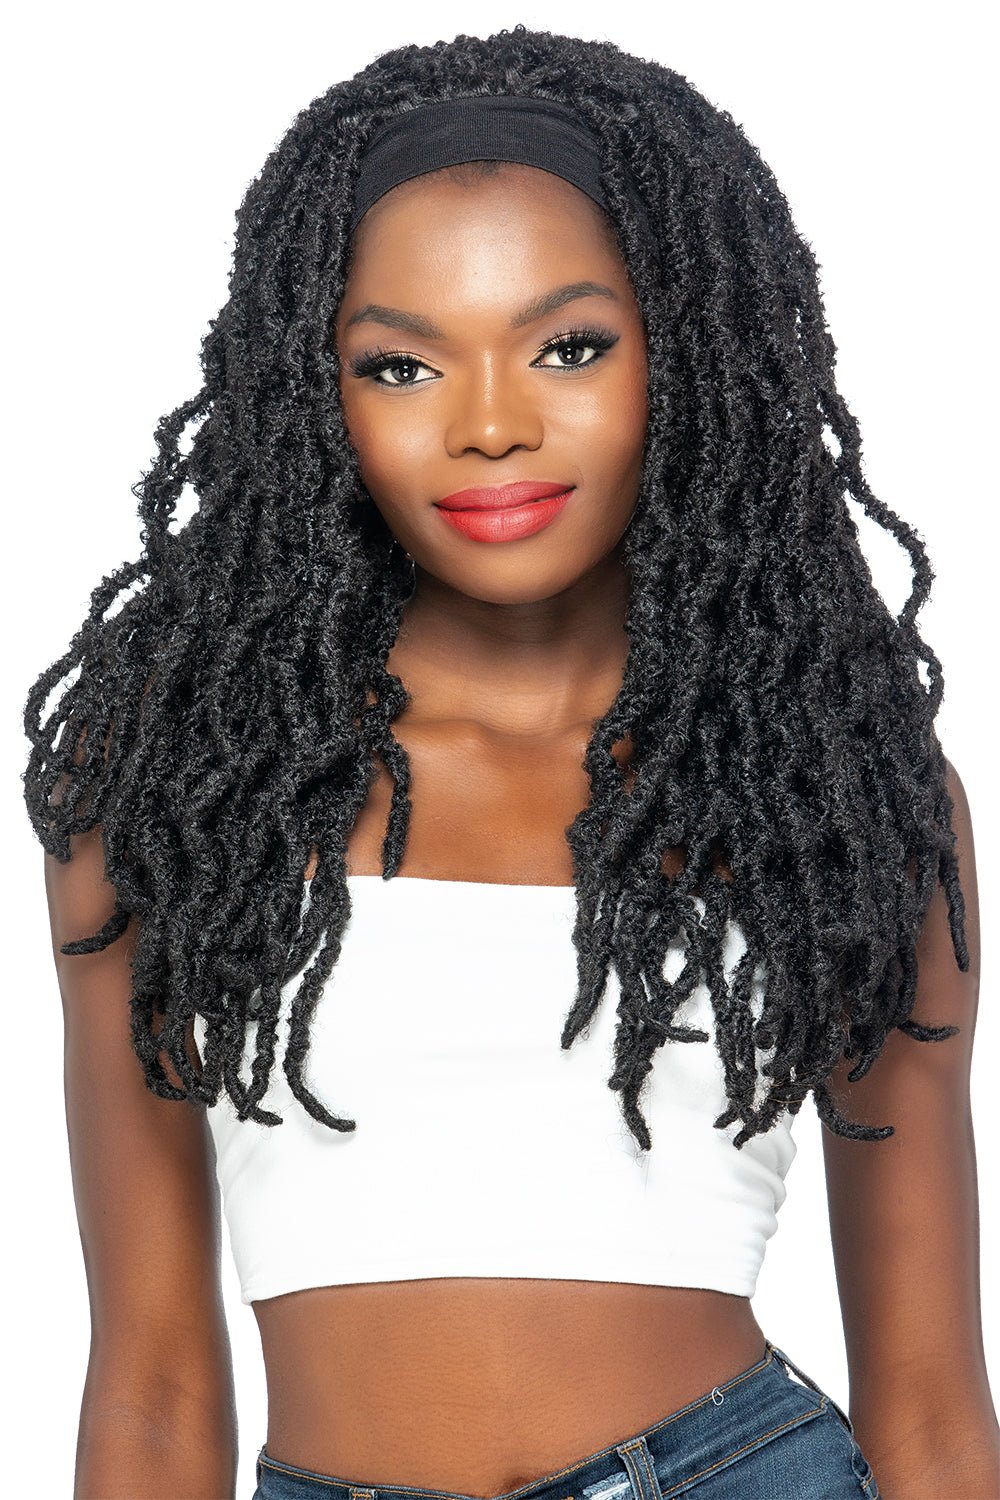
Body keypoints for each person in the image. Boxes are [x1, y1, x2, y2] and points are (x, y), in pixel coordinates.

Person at [24, 25, 998, 1500]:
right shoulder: (176, 785)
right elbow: (151, 1388)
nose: (491, 424)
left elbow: (930, 1403)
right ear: (318, 394)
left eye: (571, 347)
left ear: (689, 353)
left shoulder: (832, 782)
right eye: (402, 363)